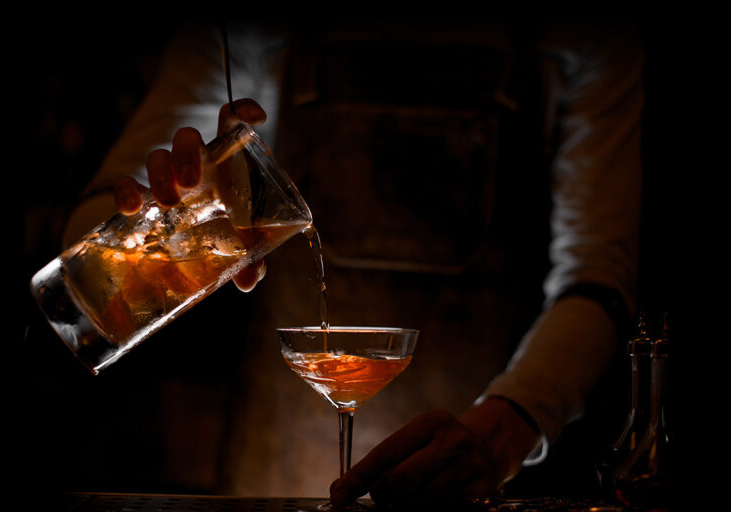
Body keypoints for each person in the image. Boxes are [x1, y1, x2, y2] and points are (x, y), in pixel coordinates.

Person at [60, 20, 643, 504]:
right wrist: (144, 228)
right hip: (279, 467)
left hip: (479, 475)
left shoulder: (587, 37)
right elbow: (95, 217)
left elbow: (598, 277)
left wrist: (497, 435)